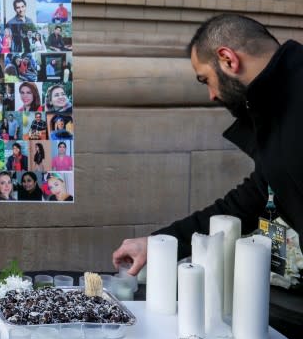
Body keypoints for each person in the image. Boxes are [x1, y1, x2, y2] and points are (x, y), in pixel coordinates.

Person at [113, 14, 303, 274]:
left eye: (205, 79)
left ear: (228, 59)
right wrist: (158, 243)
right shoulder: (277, 106)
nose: (211, 94)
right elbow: (253, 198)